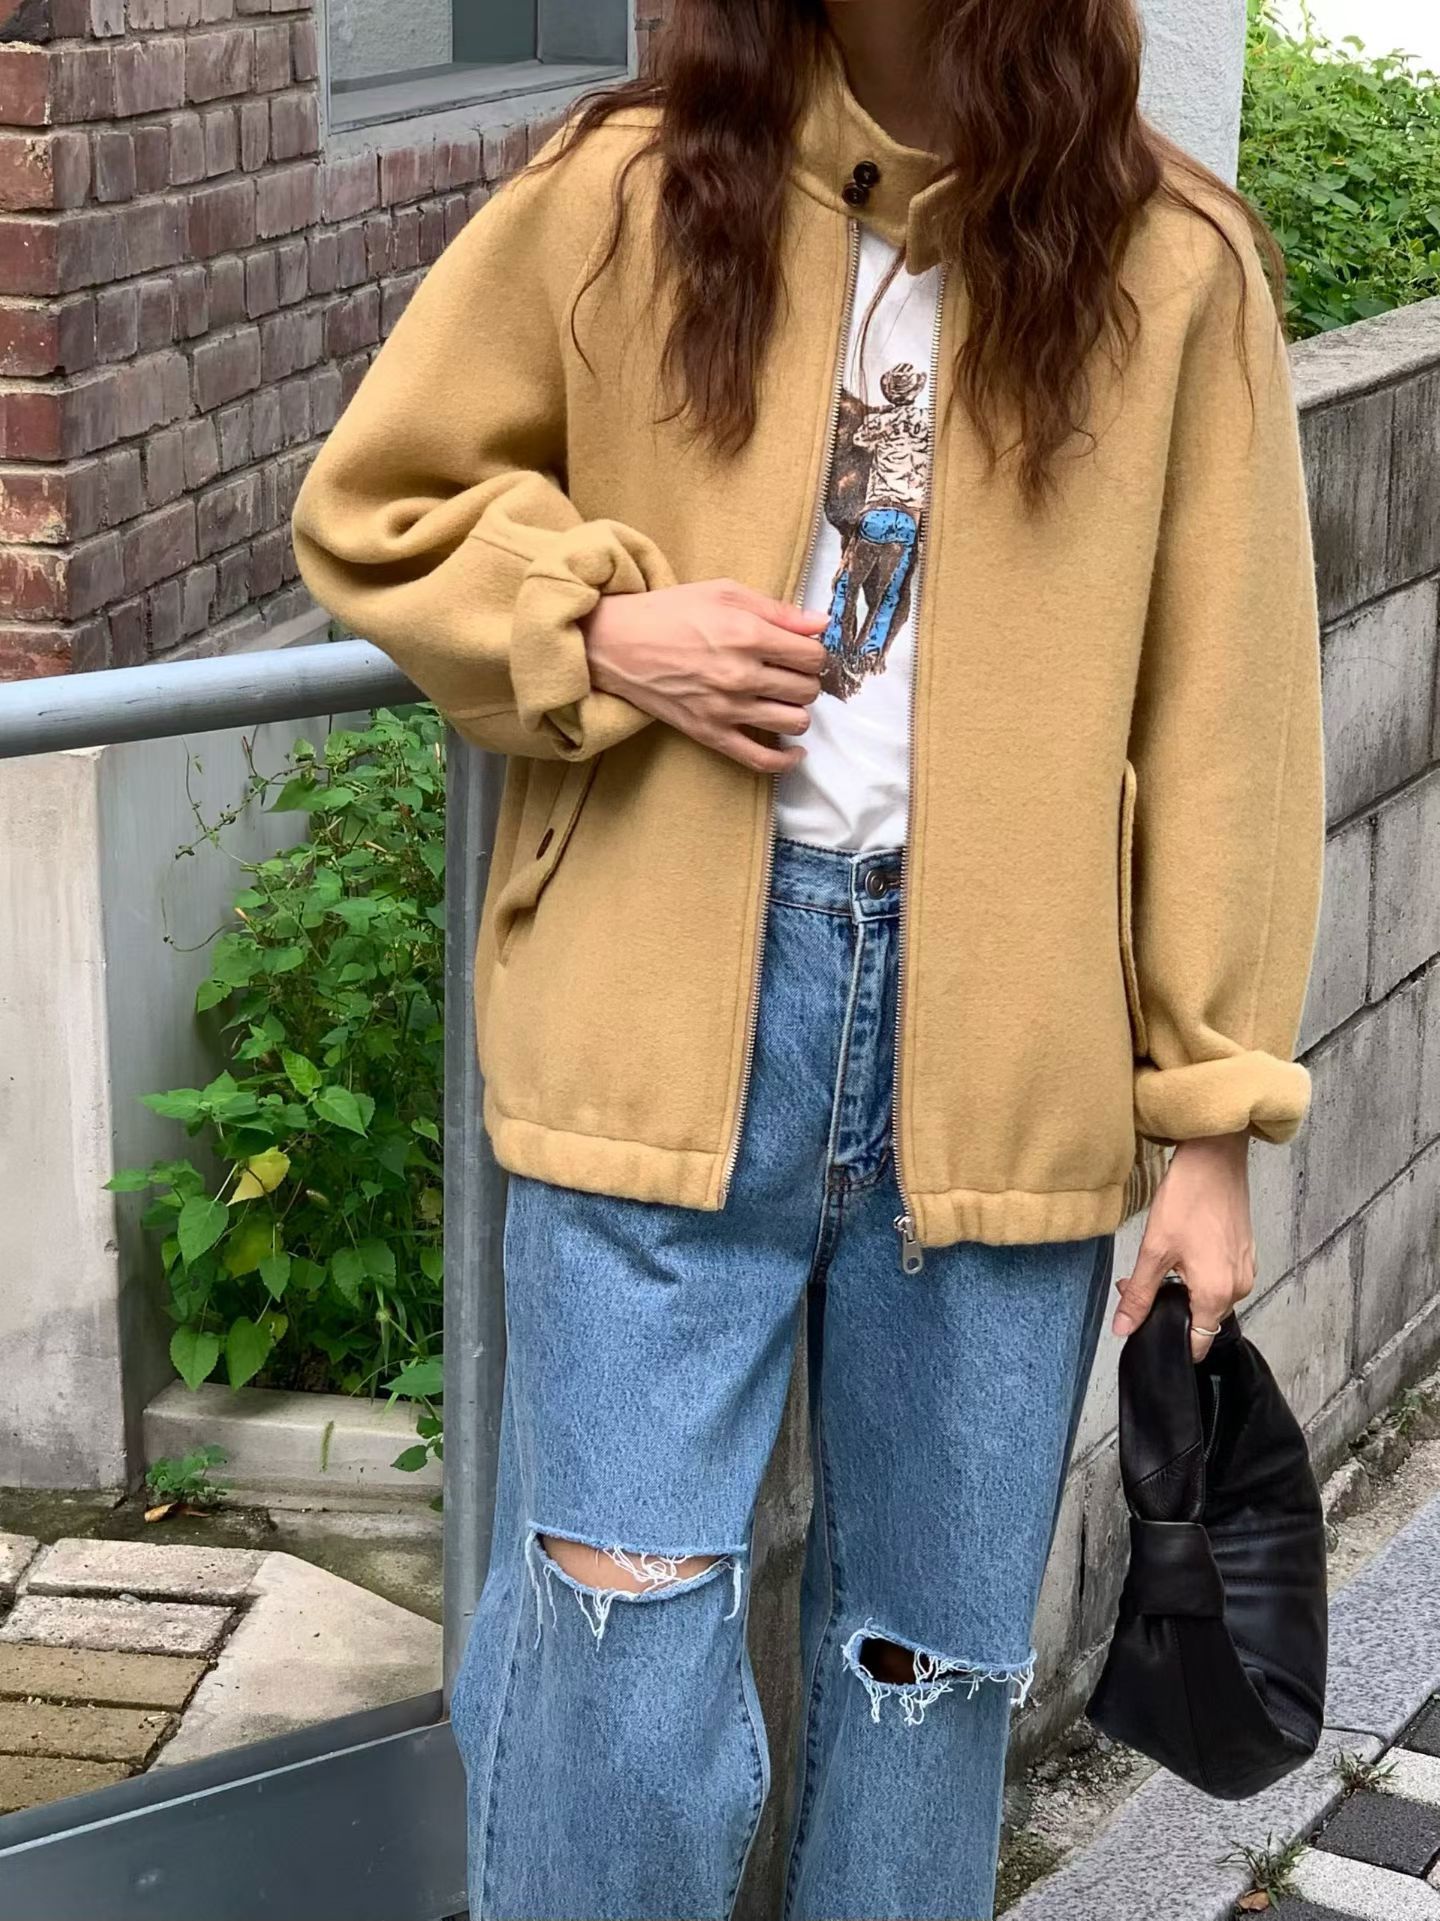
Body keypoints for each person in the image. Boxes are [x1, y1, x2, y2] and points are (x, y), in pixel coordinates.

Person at [292, 0, 1323, 1912]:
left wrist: (1211, 1125)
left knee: (928, 1695)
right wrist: (604, 631)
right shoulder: (628, 191)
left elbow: (1228, 721)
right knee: (615, 1690)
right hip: (658, 1030)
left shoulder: (1173, 265)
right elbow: (380, 502)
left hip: (1002, 1066)